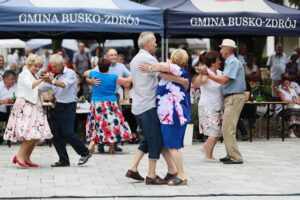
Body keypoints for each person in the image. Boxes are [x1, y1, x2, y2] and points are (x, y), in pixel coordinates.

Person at [125, 32, 189, 185]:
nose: (156, 44)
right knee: (156, 140)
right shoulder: (148, 58)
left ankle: (133, 168)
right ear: (147, 44)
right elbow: (164, 69)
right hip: (148, 106)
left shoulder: (135, 59)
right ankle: (151, 175)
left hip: (140, 105)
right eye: (154, 41)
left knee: (150, 138)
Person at [139, 49, 191, 186]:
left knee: (173, 146)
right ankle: (173, 171)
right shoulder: (172, 73)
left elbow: (163, 67)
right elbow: (164, 71)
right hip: (166, 115)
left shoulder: (177, 69)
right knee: (164, 145)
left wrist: (150, 68)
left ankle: (182, 176)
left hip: (174, 115)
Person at [198, 39, 246, 164]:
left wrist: (207, 74)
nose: (220, 51)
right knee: (226, 128)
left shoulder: (233, 62)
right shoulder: (231, 62)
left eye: (222, 48)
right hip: (231, 97)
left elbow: (224, 80)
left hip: (234, 97)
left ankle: (235, 157)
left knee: (228, 128)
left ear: (228, 49)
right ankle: (230, 155)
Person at [40, 54, 92, 167]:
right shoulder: (55, 75)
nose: (53, 69)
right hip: (58, 105)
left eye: (55, 67)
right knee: (55, 134)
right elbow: (44, 87)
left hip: (69, 106)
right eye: (51, 67)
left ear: (62, 64)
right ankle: (63, 160)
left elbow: (64, 85)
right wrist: (37, 82)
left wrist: (51, 80)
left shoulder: (71, 73)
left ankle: (85, 152)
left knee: (68, 132)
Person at [3, 54, 52, 168]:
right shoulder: (24, 73)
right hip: (25, 107)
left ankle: (26, 157)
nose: (37, 68)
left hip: (34, 106)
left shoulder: (33, 74)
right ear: (29, 64)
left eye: (39, 66)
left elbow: (40, 87)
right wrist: (42, 79)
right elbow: (31, 85)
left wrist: (49, 80)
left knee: (36, 135)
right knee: (30, 133)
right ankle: (19, 156)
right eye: (35, 66)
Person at [84, 58, 132, 154]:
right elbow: (127, 82)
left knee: (96, 123)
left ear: (98, 67)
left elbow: (85, 73)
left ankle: (93, 141)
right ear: (109, 67)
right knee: (112, 124)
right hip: (110, 103)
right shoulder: (113, 77)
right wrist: (134, 74)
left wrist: (91, 80)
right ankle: (111, 146)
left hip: (96, 103)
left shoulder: (94, 74)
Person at [194, 51, 223, 161]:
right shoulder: (206, 73)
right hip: (208, 106)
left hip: (219, 105)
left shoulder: (220, 73)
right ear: (213, 62)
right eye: (218, 60)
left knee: (218, 132)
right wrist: (202, 74)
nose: (220, 61)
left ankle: (208, 153)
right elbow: (196, 84)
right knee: (214, 132)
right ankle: (207, 152)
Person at [0, 70, 17, 144]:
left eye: (14, 79)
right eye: (11, 79)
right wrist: (3, 101)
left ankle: (8, 136)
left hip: (14, 113)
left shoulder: (17, 87)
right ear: (5, 79)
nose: (13, 81)